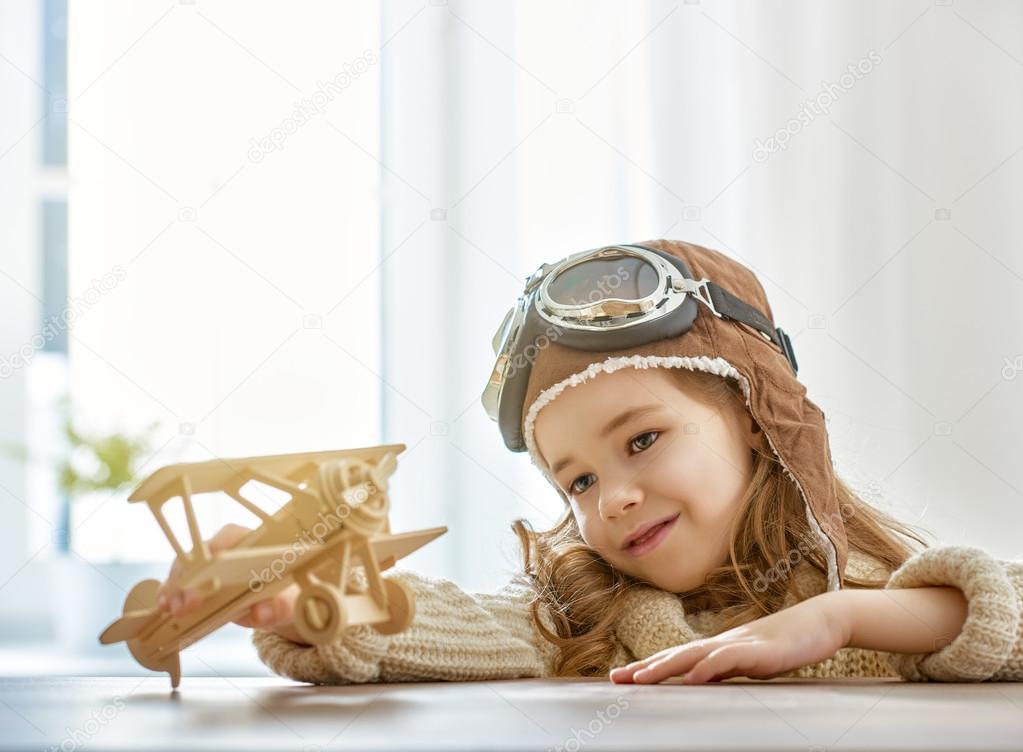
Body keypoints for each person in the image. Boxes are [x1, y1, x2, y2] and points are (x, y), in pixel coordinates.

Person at [156, 239, 1023, 684]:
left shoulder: (885, 588)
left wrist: (839, 617)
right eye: (575, 480)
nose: (610, 499)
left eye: (641, 441)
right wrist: (321, 596)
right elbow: (446, 626)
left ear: (758, 420)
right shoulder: (596, 625)